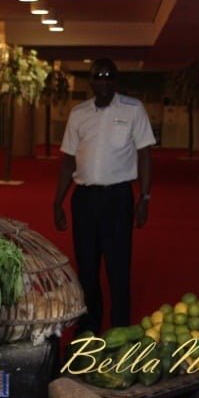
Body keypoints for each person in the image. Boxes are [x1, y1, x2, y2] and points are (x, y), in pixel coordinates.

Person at [53, 58, 155, 333]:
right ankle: (90, 327)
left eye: (110, 75)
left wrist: (144, 198)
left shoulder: (134, 110)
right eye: (99, 76)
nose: (104, 81)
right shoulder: (79, 113)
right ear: (91, 81)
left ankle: (119, 330)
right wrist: (58, 201)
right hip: (84, 200)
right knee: (86, 269)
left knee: (118, 269)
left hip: (117, 198)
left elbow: (145, 154)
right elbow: (68, 160)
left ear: (116, 80)